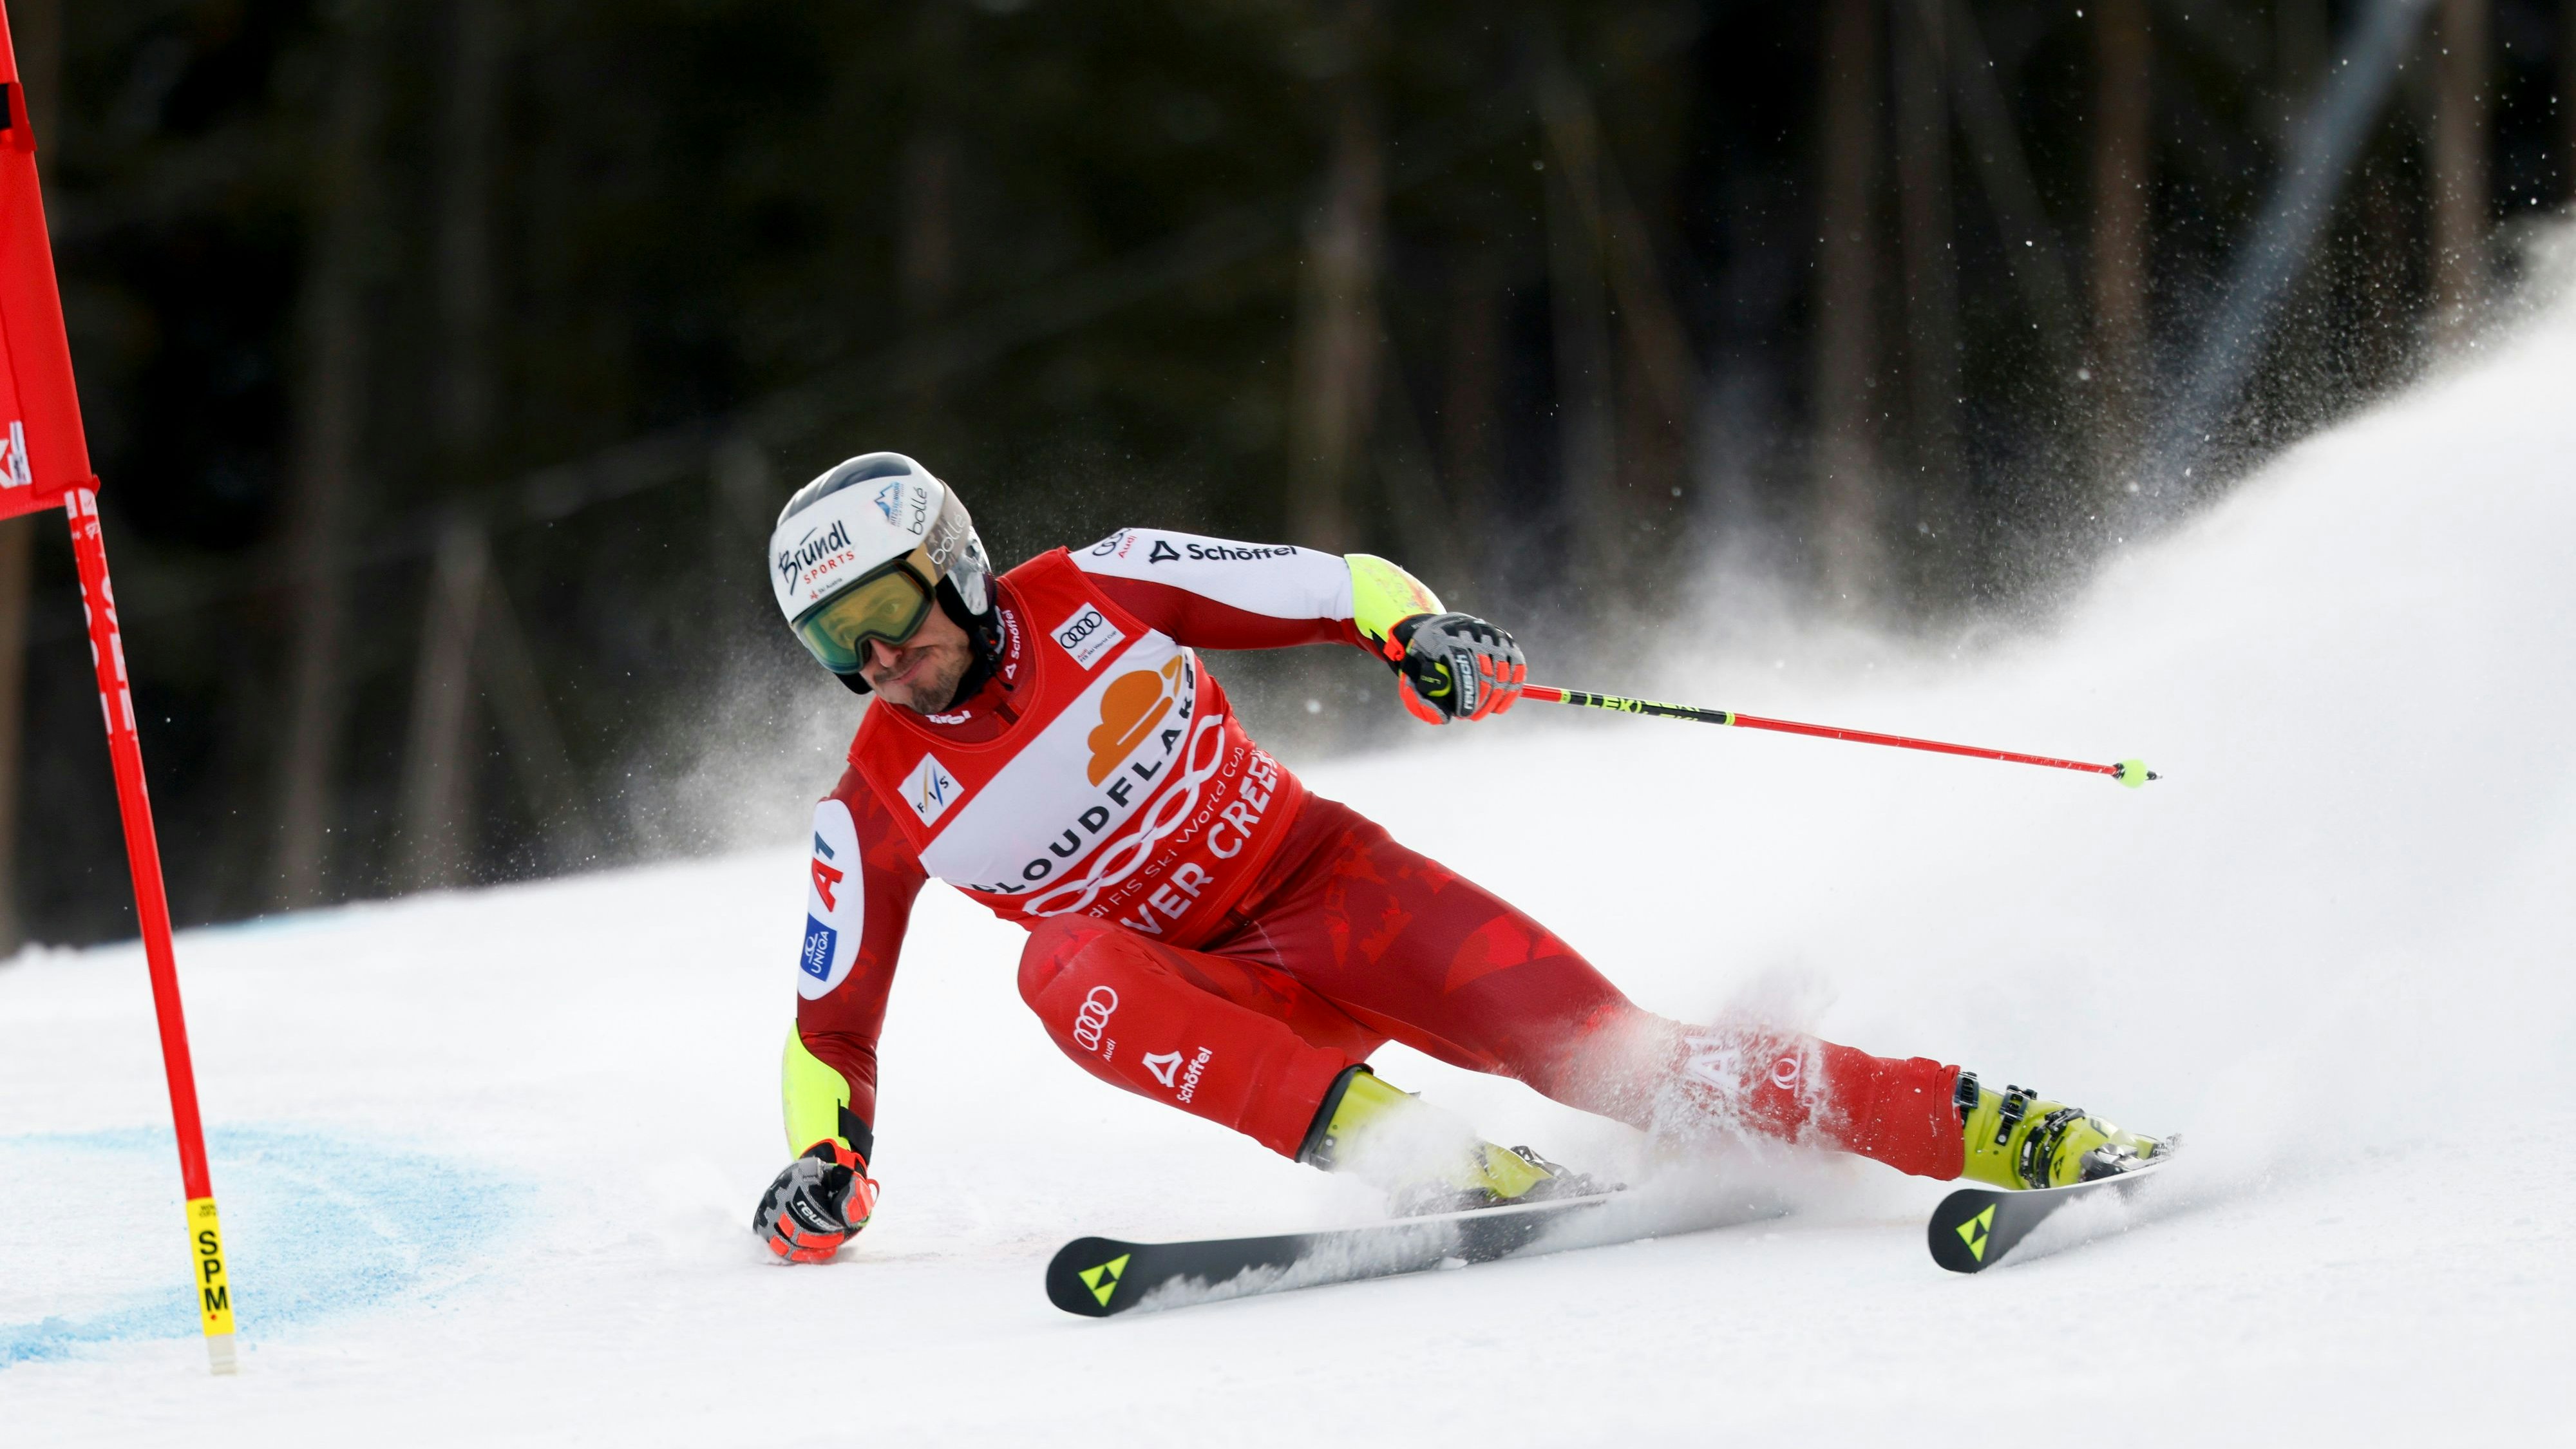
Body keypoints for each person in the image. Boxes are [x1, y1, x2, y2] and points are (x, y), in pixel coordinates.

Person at [750, 453, 2169, 1262]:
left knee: (1630, 1064)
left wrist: (1419, 636)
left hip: (1332, 892)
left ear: (951, 557)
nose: (877, 656)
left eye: (884, 607)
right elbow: (831, 1026)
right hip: (1205, 999)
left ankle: (1997, 1125)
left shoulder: (1099, 586)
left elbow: (1332, 589)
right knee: (1061, 965)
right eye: (835, 643)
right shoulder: (872, 805)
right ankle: (1422, 1159)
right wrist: (826, 1162)